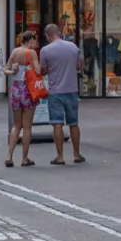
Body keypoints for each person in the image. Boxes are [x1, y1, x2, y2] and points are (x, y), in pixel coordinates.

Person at [40, 23, 84, 165]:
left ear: (48, 36)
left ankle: (60, 157)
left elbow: (43, 71)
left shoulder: (45, 50)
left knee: (57, 124)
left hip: (55, 91)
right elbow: (79, 66)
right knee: (74, 123)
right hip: (71, 89)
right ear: (59, 32)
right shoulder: (73, 47)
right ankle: (77, 154)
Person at [5, 31, 41, 168]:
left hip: (15, 89)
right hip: (27, 90)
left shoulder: (14, 52)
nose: (35, 44)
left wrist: (14, 72)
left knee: (16, 125)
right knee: (27, 127)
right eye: (34, 41)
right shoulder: (31, 53)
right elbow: (37, 70)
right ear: (30, 40)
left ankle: (9, 156)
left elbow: (5, 70)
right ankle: (24, 158)